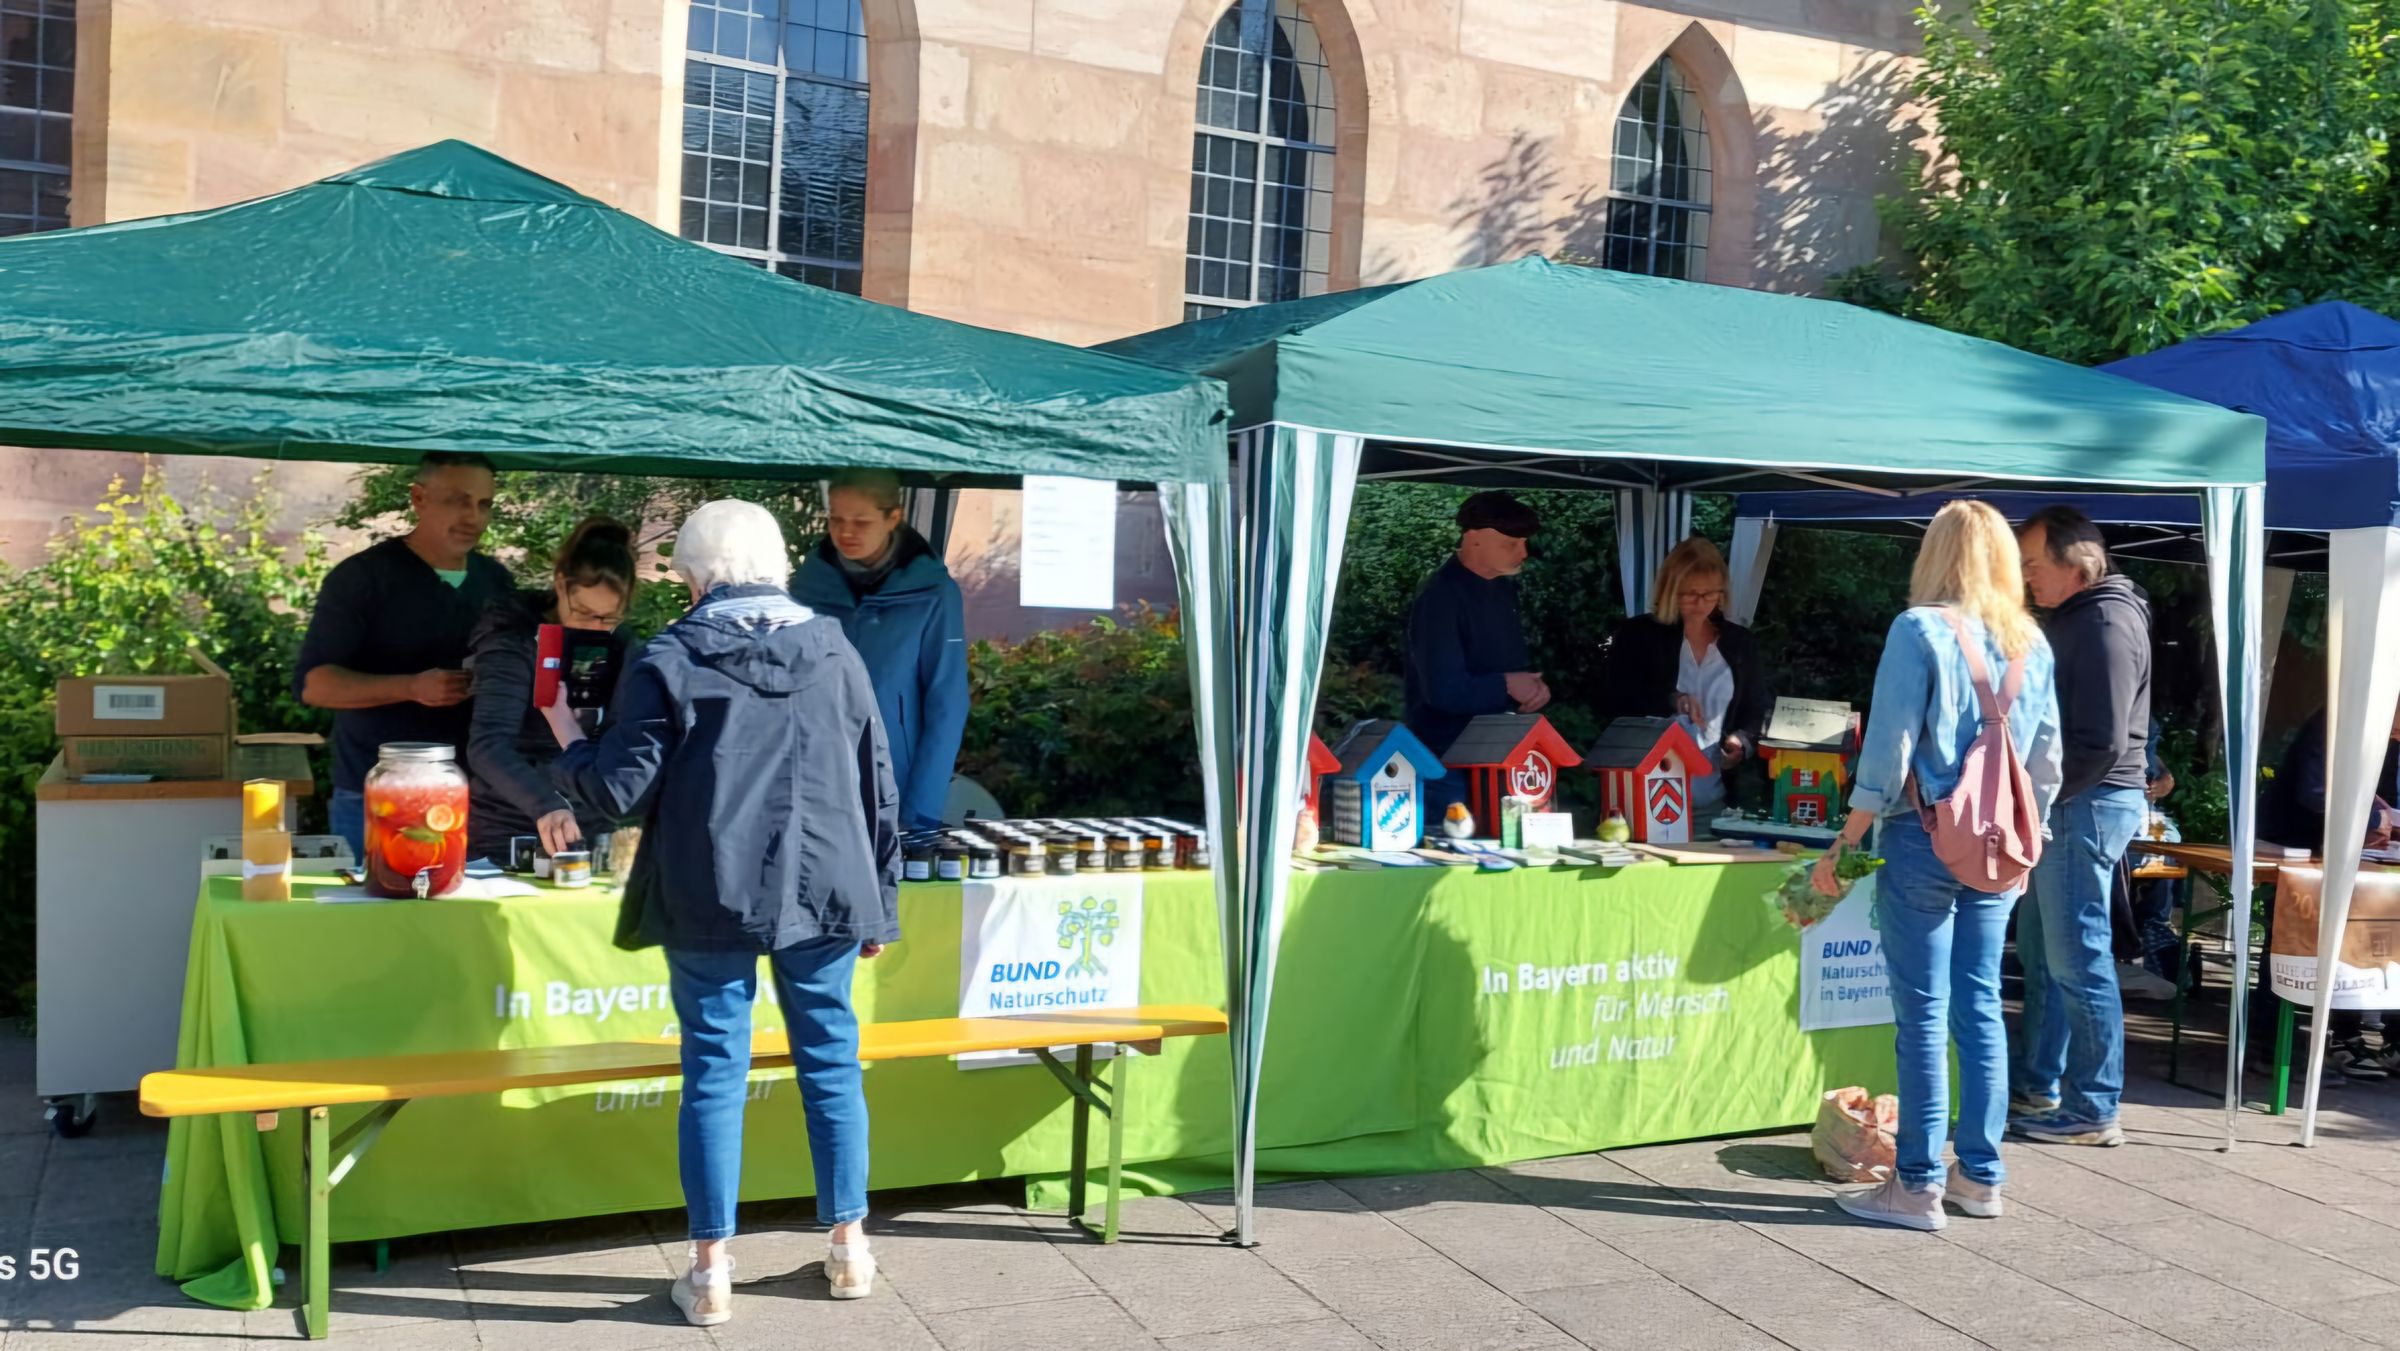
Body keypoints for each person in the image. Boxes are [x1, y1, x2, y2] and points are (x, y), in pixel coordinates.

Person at [543, 500, 898, 1323]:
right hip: (828, 885)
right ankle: (850, 1249)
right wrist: (879, 903)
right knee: (832, 1061)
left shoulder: (669, 656)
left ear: (695, 577)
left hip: (710, 884)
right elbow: (876, 776)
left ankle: (710, 1273)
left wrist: (566, 733)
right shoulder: (834, 646)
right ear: (775, 565)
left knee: (713, 1071)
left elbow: (615, 790)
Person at [1815, 500, 2061, 1232]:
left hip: (1923, 836)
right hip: (2001, 848)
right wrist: (2031, 840)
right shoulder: (2033, 644)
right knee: (1980, 1005)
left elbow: (1887, 755)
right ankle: (1979, 1176)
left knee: (1921, 1015)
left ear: (1936, 554)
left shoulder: (1918, 628)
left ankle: (1915, 1184)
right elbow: (2046, 763)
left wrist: (1845, 840)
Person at [2009, 505, 2152, 1147]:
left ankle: (2093, 1108)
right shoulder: (2090, 615)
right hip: (2079, 802)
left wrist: (2036, 798)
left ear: (2078, 564)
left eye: (2034, 566)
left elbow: (2100, 741)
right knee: (2046, 956)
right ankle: (2041, 1085)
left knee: (2077, 959)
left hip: (2083, 803)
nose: (2026, 578)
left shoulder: (2104, 622)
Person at [294, 452, 511, 860]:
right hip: (378, 797)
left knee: (462, 924)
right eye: (457, 500)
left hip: (478, 797)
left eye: (484, 505)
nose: (472, 517)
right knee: (374, 922)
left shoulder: (496, 582)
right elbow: (314, 684)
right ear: (418, 498)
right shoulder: (362, 578)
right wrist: (410, 687)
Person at [791, 470, 968, 832]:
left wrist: (921, 811)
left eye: (861, 521)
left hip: (891, 787)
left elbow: (947, 705)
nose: (846, 532)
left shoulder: (935, 593)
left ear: (893, 518)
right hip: (812, 782)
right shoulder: (806, 589)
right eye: (836, 519)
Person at [462, 517, 635, 866]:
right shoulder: (513, 641)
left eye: (608, 618)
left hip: (594, 830)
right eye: (583, 612)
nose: (595, 627)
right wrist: (547, 803)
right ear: (560, 585)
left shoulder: (625, 648)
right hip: (508, 831)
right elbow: (488, 745)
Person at [2254, 701, 2400, 1081]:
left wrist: (2379, 816)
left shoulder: (2378, 731)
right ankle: (2274, 1050)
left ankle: (2353, 1039)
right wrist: (2372, 818)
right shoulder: (2340, 717)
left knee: (2353, 941)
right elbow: (2315, 792)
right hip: (2295, 848)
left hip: (2340, 853)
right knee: (2291, 943)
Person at [1600, 536, 1770, 817]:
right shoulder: (1638, 635)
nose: (1701, 603)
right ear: (1670, 589)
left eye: (1710, 593)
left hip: (1714, 799)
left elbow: (1757, 706)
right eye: (1690, 593)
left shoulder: (1740, 642)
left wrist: (1742, 742)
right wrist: (1672, 700)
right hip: (1644, 796)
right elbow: (1616, 700)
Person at [1404, 492, 1548, 812]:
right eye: (1510, 544)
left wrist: (1529, 691)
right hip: (1450, 764)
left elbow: (1504, 667)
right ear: (1474, 540)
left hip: (1500, 753)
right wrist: (1508, 686)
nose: (1523, 553)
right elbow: (1443, 692)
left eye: (1524, 542)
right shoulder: (1439, 598)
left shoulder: (1503, 589)